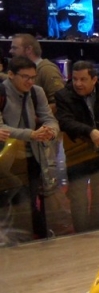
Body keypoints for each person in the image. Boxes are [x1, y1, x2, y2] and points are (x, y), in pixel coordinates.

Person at [54, 61, 99, 233]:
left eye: (83, 79)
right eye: (75, 79)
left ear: (94, 79)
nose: (78, 83)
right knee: (78, 199)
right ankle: (81, 235)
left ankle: (98, 234)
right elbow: (65, 121)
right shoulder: (63, 96)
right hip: (77, 153)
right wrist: (90, 131)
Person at [0, 56, 58, 238]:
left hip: (32, 157)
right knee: (16, 199)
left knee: (29, 200)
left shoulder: (36, 92)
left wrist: (50, 132)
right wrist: (31, 134)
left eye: (33, 77)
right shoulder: (2, 91)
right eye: (25, 77)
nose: (30, 81)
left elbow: (50, 119)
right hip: (6, 158)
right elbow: (1, 129)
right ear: (11, 74)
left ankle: (27, 237)